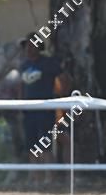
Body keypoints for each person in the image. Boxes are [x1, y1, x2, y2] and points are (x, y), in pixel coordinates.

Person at [19, 35, 70, 182]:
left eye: (32, 45)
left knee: (45, 145)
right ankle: (36, 178)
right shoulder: (24, 65)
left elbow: (64, 79)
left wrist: (61, 97)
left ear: (39, 46)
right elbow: (22, 86)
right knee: (31, 147)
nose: (29, 49)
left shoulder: (48, 63)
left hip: (45, 111)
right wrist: (20, 103)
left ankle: (50, 177)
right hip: (29, 112)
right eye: (27, 46)